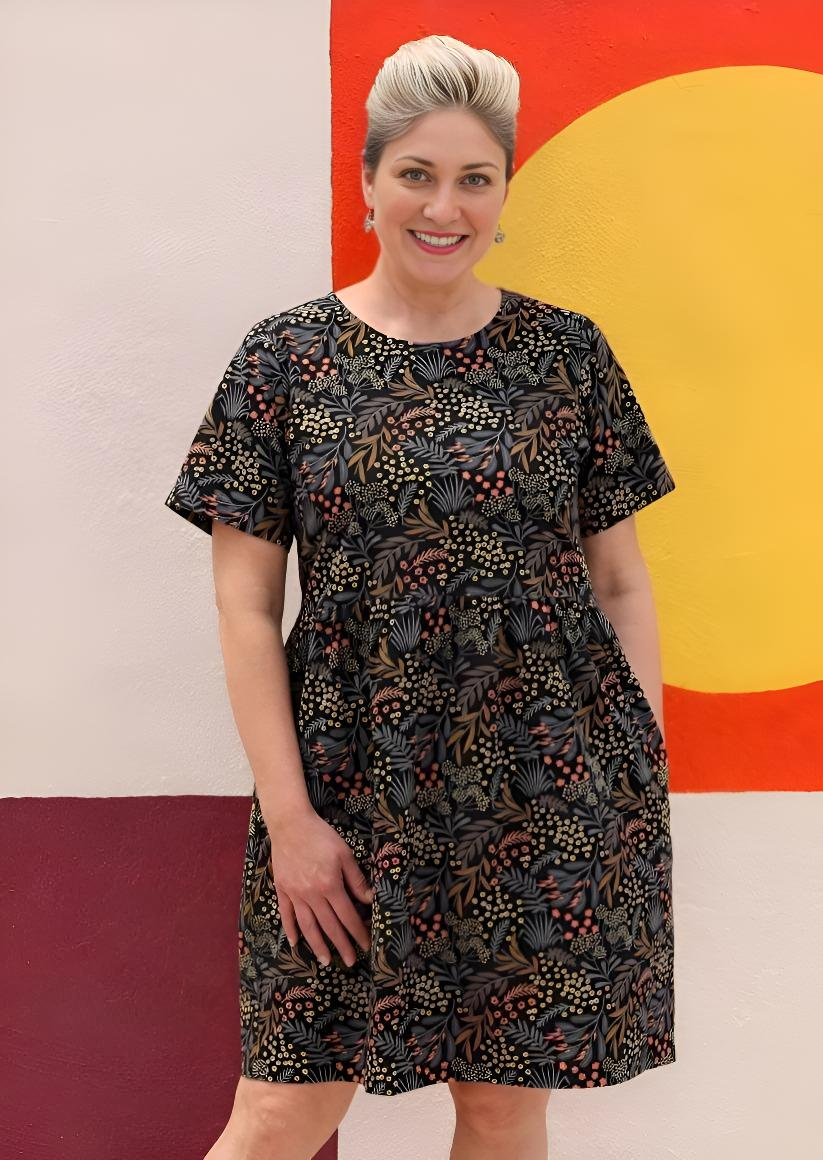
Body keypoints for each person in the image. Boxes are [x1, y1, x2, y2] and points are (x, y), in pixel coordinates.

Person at [164, 32, 677, 1160]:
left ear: (502, 194)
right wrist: (291, 822)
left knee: (501, 1106)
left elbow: (619, 579)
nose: (444, 207)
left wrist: (630, 764)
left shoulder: (566, 357)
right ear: (367, 182)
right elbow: (244, 607)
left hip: (546, 794)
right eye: (416, 174)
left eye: (474, 179)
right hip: (349, 793)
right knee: (285, 1107)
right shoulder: (284, 361)